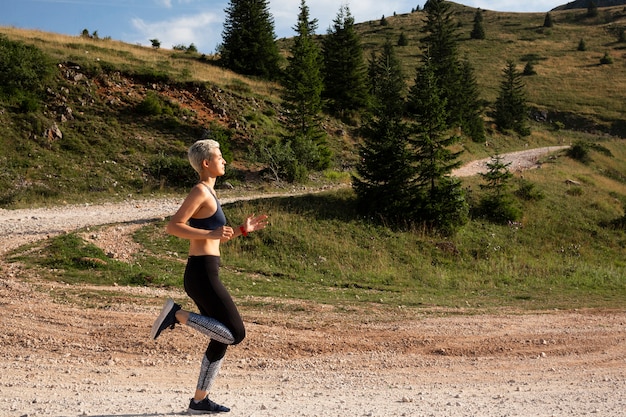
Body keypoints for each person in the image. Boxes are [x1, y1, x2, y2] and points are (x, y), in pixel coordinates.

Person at [150, 139, 268, 414]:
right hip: (201, 273)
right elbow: (173, 226)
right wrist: (210, 234)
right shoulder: (200, 191)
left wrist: (241, 229)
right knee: (235, 334)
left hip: (205, 269)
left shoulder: (211, 194)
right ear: (206, 163)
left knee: (219, 337)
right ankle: (176, 315)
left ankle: (199, 401)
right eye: (220, 157)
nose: (224, 161)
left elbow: (216, 238)